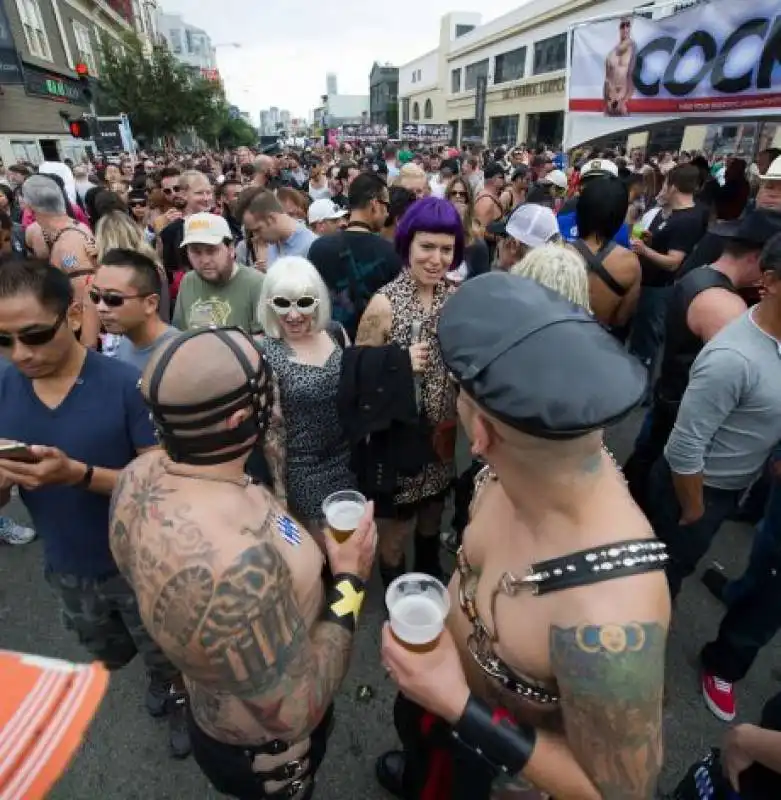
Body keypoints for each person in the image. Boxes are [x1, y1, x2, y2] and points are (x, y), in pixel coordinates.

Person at [376, 272, 669, 800]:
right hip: (438, 715)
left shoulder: (611, 614)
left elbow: (619, 791)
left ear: (480, 436)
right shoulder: (523, 462)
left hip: (501, 776)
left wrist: (459, 707)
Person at [109, 327, 377, 800]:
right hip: (269, 754)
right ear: (239, 420)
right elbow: (297, 709)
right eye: (267, 389)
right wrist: (352, 577)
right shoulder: (238, 567)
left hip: (208, 706)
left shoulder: (136, 480)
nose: (275, 401)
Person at [0, 260, 190, 758]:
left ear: (73, 315)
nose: (21, 354)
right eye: (3, 341)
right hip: (67, 569)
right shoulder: (3, 386)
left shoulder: (126, 385)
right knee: (108, 648)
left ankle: (176, 696)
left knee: (166, 653)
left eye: (35, 335)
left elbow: (163, 481)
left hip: (141, 567)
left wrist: (79, 475)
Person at [356, 197, 462, 587]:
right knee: (396, 530)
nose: (436, 259)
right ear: (407, 246)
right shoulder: (385, 303)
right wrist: (398, 366)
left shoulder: (456, 298)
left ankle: (430, 578)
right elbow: (359, 381)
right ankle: (397, 593)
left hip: (441, 436)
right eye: (427, 247)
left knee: (434, 513)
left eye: (446, 249)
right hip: (397, 440)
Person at [256, 257, 354, 539]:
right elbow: (272, 434)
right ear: (269, 304)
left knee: (349, 544)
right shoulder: (266, 351)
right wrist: (280, 498)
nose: (294, 315)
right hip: (302, 471)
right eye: (283, 303)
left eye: (304, 302)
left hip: (348, 462)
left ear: (318, 301)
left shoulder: (335, 332)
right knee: (323, 551)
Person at [308, 173, 402, 340]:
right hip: (373, 349)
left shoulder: (318, 248)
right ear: (374, 204)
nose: (388, 213)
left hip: (327, 344)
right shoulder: (391, 253)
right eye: (386, 205)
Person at [573, 176, 641, 338]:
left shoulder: (559, 253)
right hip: (598, 343)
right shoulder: (630, 264)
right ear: (618, 215)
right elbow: (621, 319)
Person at [172, 213, 264, 331]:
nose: (205, 260)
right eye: (196, 252)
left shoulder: (256, 284)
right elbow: (179, 334)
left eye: (212, 251)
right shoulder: (188, 281)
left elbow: (264, 342)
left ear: (231, 249)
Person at [92, 248, 179, 371]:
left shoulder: (177, 354)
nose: (100, 307)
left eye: (113, 298)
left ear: (150, 303)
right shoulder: (126, 342)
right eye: (95, 296)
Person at [241, 190, 317, 268]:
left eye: (257, 230)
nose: (256, 237)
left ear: (271, 218)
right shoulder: (272, 241)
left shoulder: (312, 246)